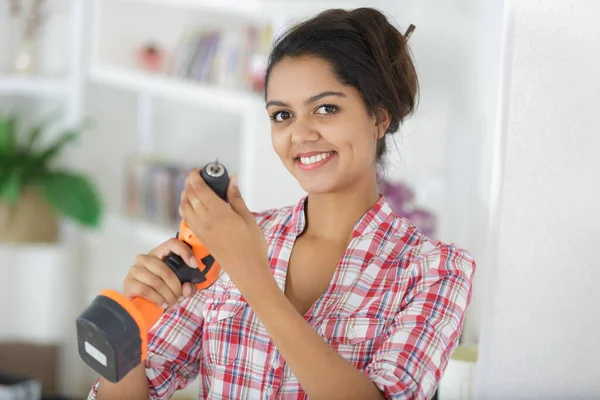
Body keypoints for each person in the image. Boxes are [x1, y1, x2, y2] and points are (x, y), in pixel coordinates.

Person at [88, 7, 476, 400]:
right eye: (282, 115)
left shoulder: (435, 271)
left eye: (326, 108)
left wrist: (251, 275)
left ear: (378, 117)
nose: (301, 134)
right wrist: (128, 329)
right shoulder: (224, 244)